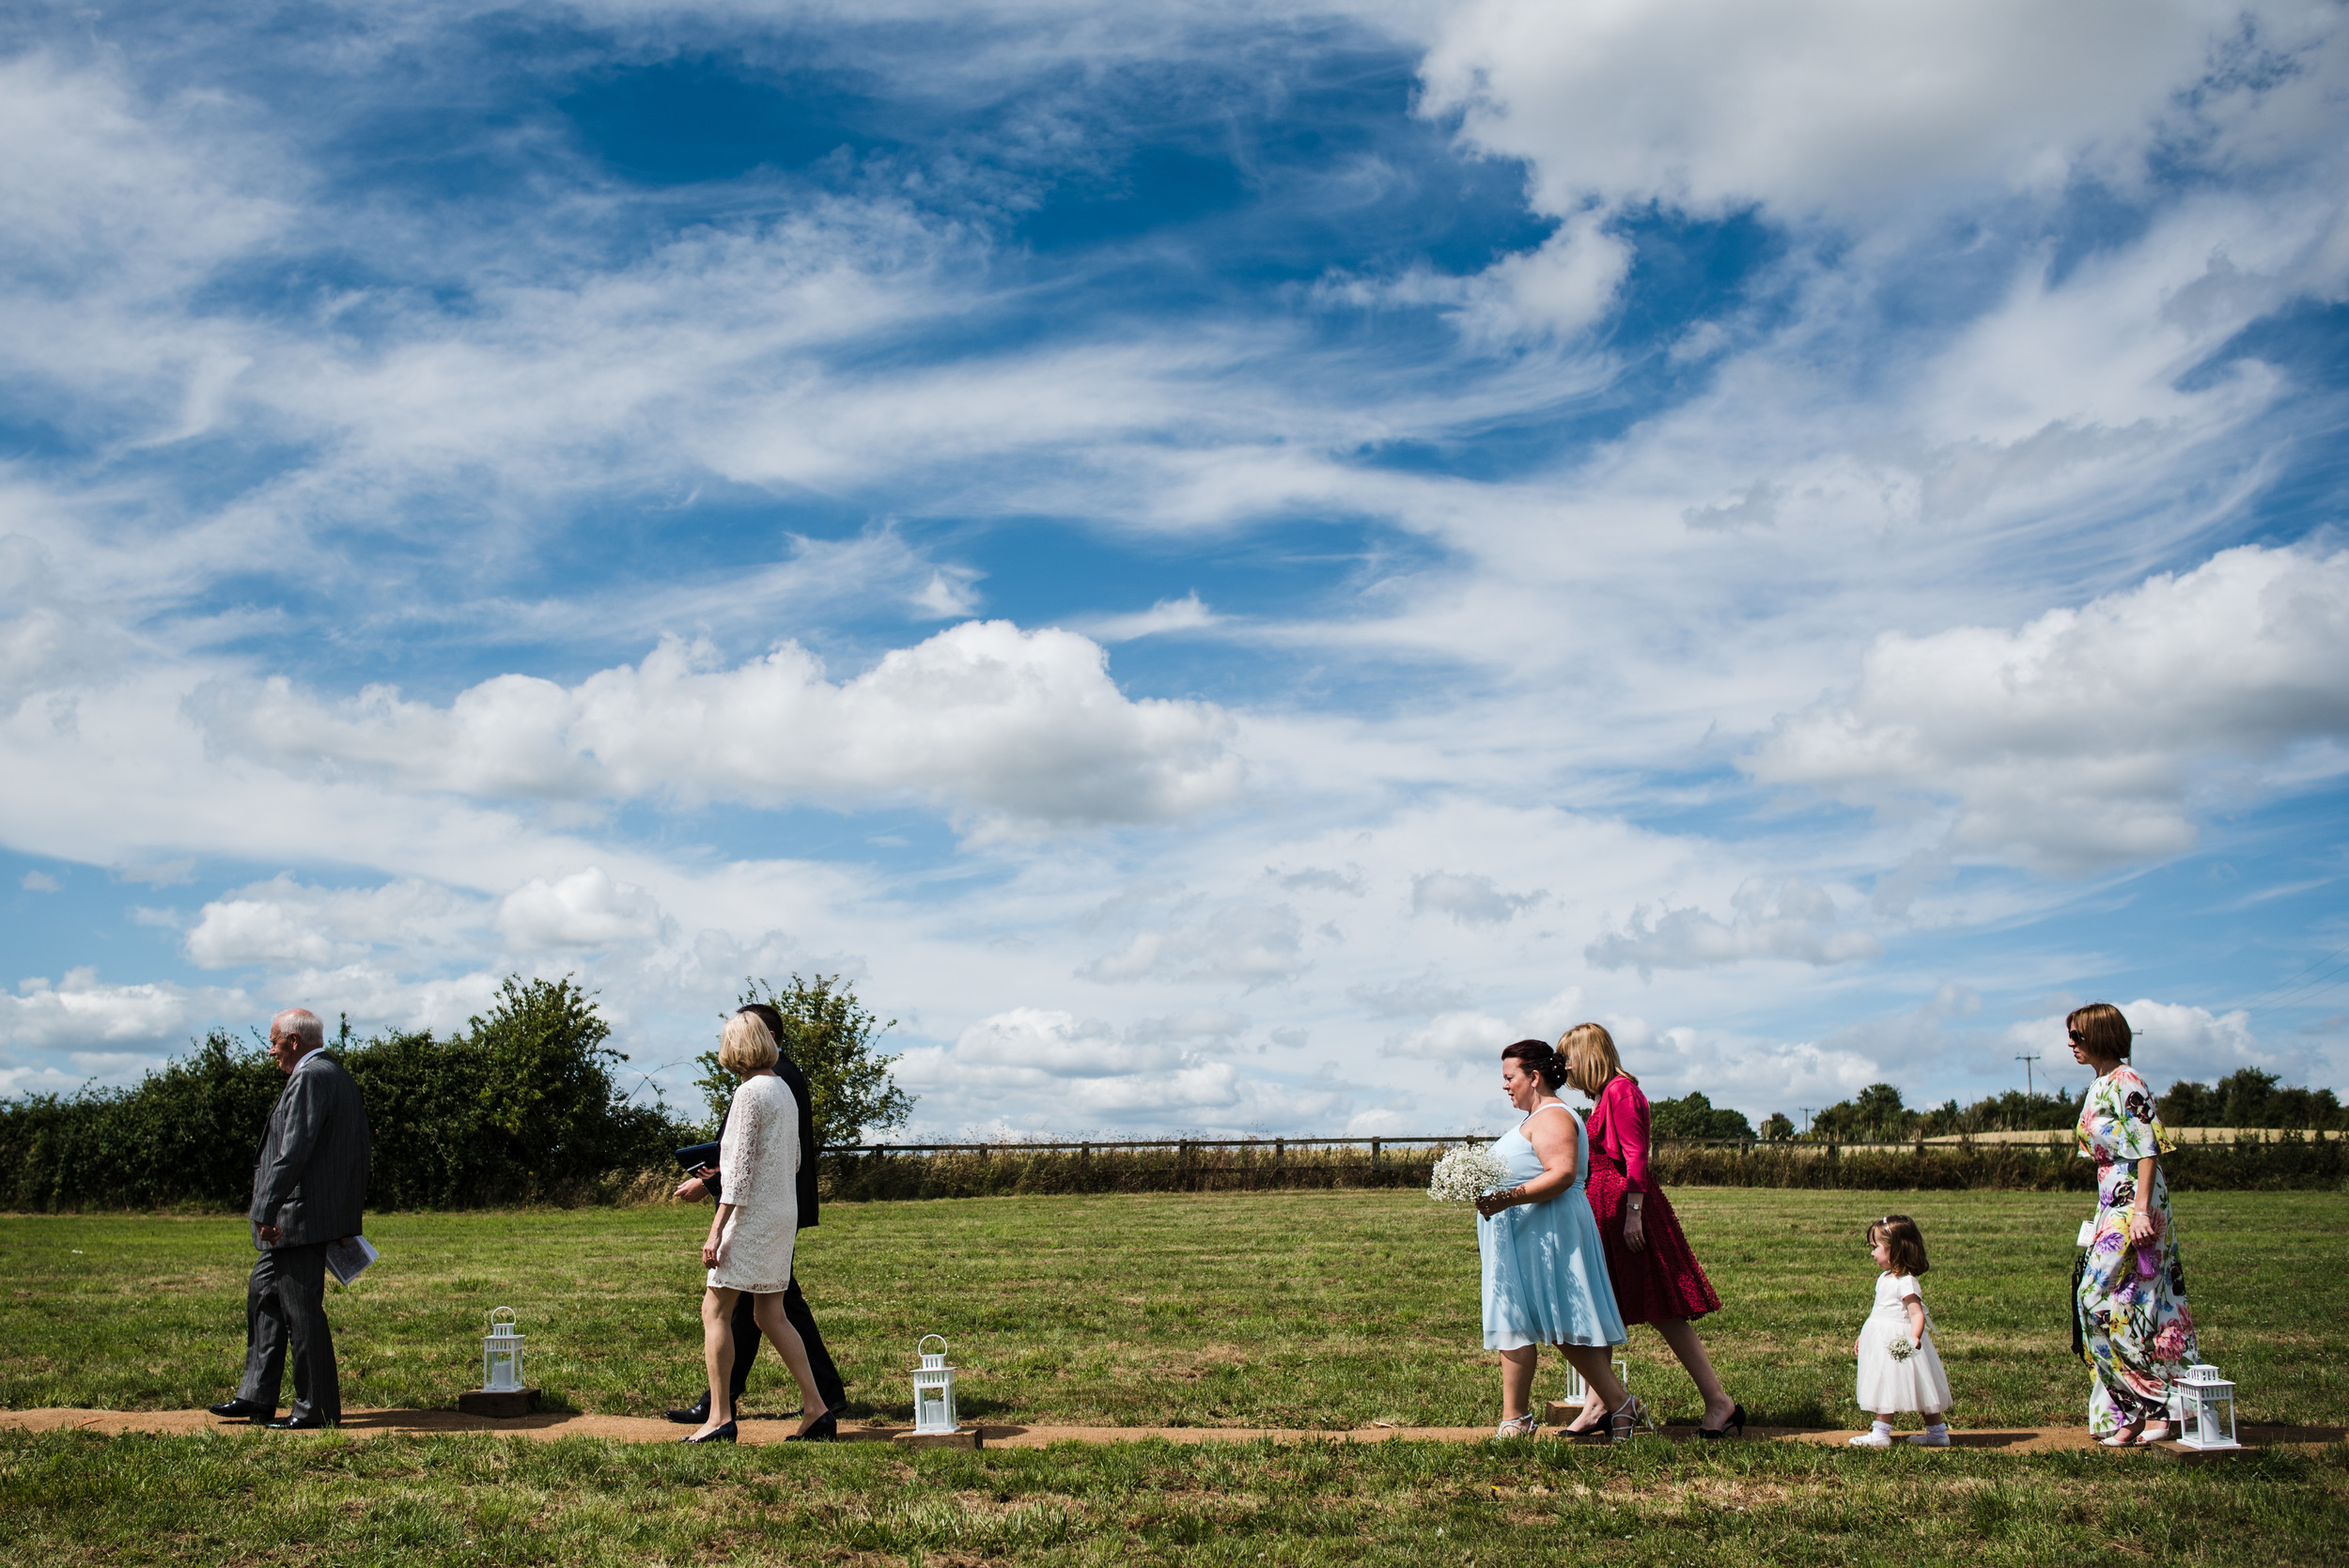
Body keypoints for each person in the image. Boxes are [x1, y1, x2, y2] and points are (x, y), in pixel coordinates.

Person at [1551, 1024, 1740, 1437]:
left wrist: (1633, 1213)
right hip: (1607, 1210)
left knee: (1664, 1308)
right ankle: (1598, 1403)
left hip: (1624, 1209)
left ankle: (1719, 1403)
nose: (1564, 1067)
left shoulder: (1621, 1091)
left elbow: (1637, 1158)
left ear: (1588, 1054)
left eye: (1569, 1057)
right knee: (1600, 1308)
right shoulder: (1608, 1093)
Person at [667, 1002, 847, 1429]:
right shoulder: (782, 1089)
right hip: (782, 1213)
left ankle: (718, 1418)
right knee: (771, 1313)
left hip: (750, 1216)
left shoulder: (748, 1093)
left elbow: (741, 1171)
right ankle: (817, 1408)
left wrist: (716, 1230)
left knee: (714, 1311)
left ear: (736, 1046)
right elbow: (797, 1158)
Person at [1472, 1039, 1643, 1441]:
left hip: (1549, 1234)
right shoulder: (1535, 1117)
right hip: (1525, 1234)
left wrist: (1503, 1198)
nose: (1505, 1085)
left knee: (1564, 1326)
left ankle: (1619, 1404)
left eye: (1509, 1077)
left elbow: (1562, 1172)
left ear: (1534, 1077)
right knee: (1514, 1322)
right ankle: (1516, 1417)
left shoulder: (1553, 1116)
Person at [208, 1008, 369, 1430]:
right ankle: (256, 1396)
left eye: (274, 1040)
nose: (271, 1049)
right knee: (264, 1293)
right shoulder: (335, 1074)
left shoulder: (310, 1077)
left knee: (301, 1311)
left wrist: (263, 1208)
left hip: (297, 1216)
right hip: (310, 1212)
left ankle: (315, 1408)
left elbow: (293, 1150)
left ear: (294, 1041)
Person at [2069, 1002, 2198, 1446]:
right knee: (2112, 1303)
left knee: (2103, 1299)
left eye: (2078, 1036)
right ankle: (2135, 1411)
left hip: (2134, 1203)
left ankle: (2155, 1403)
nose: (2071, 1044)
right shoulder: (2099, 1085)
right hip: (2112, 1201)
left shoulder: (2127, 1082)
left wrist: (2141, 1211)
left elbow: (2148, 1149)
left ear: (2101, 1037)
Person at [1848, 1215, 1952, 1448]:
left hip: (1898, 1343)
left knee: (1894, 1384)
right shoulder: (1884, 1278)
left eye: (1876, 1247)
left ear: (1895, 1249)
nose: (1872, 1253)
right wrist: (1863, 1336)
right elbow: (1878, 1312)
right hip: (1880, 1339)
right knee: (1901, 1385)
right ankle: (1936, 1433)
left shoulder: (1906, 1281)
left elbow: (1916, 1313)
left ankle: (1882, 1433)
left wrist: (1915, 1336)